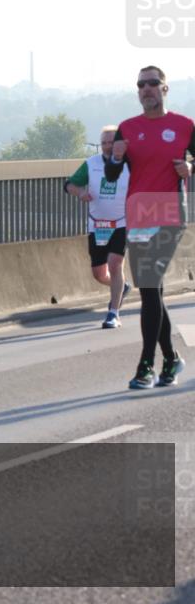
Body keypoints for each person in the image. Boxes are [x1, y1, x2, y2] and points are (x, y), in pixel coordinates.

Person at [105, 66, 195, 389]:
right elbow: (113, 175)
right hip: (139, 215)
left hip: (171, 215)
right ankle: (171, 358)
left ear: (165, 89)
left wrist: (190, 167)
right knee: (150, 290)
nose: (146, 89)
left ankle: (146, 365)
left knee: (151, 284)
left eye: (152, 83)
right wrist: (115, 158)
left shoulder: (184, 126)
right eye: (141, 84)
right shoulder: (127, 128)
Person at [64, 126, 132, 328]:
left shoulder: (131, 164)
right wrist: (80, 193)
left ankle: (113, 313)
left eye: (111, 142)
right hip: (98, 225)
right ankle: (121, 287)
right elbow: (69, 185)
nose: (107, 146)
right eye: (103, 143)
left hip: (122, 222)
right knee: (99, 273)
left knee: (115, 263)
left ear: (120, 144)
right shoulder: (91, 164)